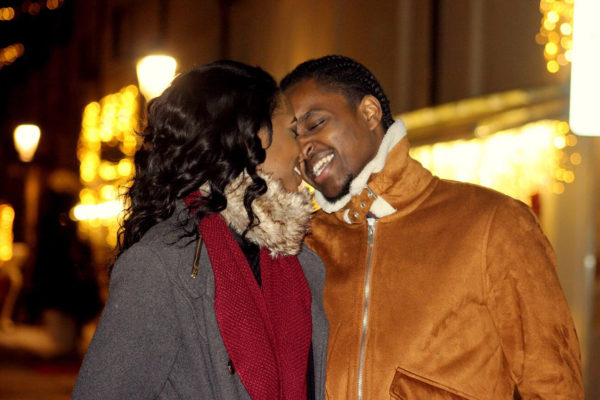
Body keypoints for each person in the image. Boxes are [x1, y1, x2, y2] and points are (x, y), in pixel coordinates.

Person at [280, 55, 583, 399]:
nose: (303, 147)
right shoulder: (303, 244)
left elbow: (552, 384)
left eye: (315, 123)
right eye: (293, 137)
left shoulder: (494, 222)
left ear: (369, 113)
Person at [72, 60, 329, 400]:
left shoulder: (304, 263)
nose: (303, 147)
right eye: (293, 131)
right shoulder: (159, 267)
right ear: (250, 140)